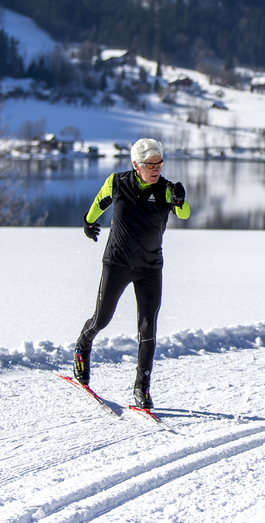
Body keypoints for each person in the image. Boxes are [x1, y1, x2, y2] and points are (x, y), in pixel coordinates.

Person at [73, 138, 191, 409]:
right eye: (150, 165)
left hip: (150, 267)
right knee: (102, 319)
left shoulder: (166, 190)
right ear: (136, 165)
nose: (156, 169)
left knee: (148, 329)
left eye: (160, 164)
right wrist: (89, 222)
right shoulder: (117, 182)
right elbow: (99, 203)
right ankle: (83, 345)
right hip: (117, 263)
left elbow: (184, 213)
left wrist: (180, 199)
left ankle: (142, 386)